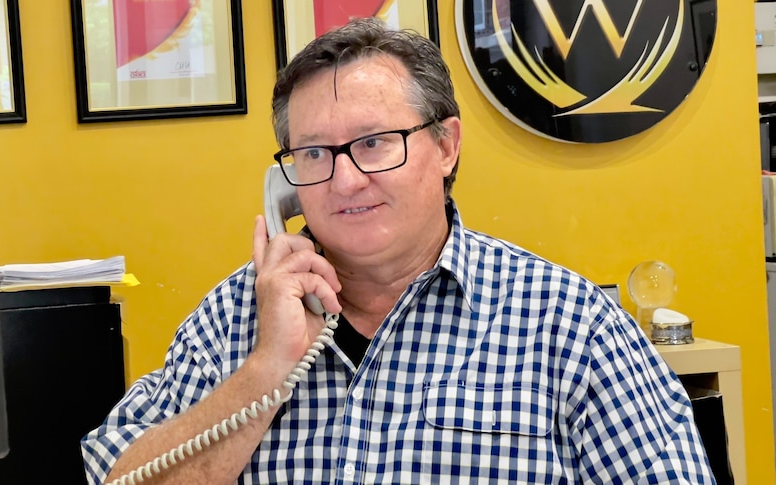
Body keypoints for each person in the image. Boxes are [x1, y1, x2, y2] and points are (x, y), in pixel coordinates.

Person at [81, 17, 716, 484]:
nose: (345, 178)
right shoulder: (232, 320)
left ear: (445, 146)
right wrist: (267, 369)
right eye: (314, 154)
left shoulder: (570, 326)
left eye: (376, 142)